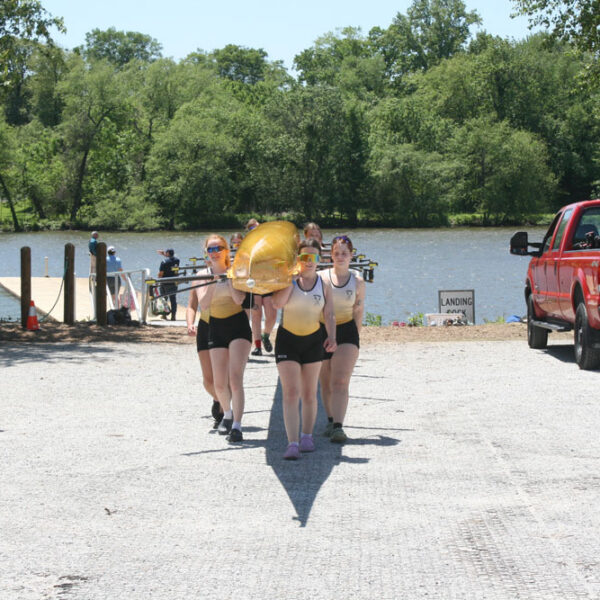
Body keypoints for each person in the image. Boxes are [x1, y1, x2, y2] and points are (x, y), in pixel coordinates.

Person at [272, 239, 337, 460]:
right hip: (287, 340)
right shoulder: (288, 280)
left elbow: (329, 314)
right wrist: (290, 282)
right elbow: (277, 304)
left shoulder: (324, 285)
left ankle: (307, 436)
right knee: (291, 392)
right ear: (298, 259)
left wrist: (332, 337)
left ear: (320, 260)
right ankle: (292, 443)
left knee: (309, 393)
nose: (309, 261)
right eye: (304, 257)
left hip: (313, 341)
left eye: (313, 257)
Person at [198, 234, 251, 443]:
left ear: (226, 250)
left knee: (235, 379)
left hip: (238, 326)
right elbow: (204, 305)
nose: (215, 252)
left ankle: (237, 425)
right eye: (210, 249)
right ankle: (227, 414)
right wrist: (213, 280)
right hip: (216, 327)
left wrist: (229, 279)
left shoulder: (235, 271)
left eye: (218, 248)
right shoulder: (203, 274)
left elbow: (239, 300)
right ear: (206, 253)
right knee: (219, 384)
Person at [319, 235, 366, 443]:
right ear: (331, 255)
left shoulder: (358, 282)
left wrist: (356, 337)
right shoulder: (321, 278)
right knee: (326, 381)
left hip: (347, 331)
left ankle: (338, 426)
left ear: (351, 256)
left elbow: (358, 311)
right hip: (321, 330)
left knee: (340, 380)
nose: (340, 257)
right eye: (336, 253)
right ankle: (330, 420)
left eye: (344, 254)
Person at [186, 255, 223, 429]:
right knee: (208, 381)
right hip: (205, 326)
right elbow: (191, 305)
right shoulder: (200, 276)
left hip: (225, 325)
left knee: (223, 376)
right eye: (210, 252)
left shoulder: (229, 273)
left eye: (218, 250)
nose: (213, 255)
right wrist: (190, 324)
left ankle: (226, 411)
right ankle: (218, 398)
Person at [242, 219, 277, 356]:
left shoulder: (269, 243)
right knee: (256, 315)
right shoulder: (246, 245)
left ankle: (266, 335)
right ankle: (257, 346)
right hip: (254, 283)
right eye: (252, 229)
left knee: (272, 315)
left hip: (268, 283)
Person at [158, 248, 180, 321]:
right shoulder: (177, 260)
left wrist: (158, 280)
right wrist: (164, 254)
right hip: (173, 282)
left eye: (166, 252)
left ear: (167, 253)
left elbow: (161, 273)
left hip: (164, 282)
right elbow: (171, 259)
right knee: (173, 299)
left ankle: (164, 315)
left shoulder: (163, 262)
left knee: (164, 299)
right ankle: (173, 316)